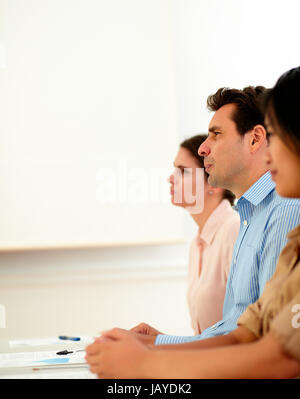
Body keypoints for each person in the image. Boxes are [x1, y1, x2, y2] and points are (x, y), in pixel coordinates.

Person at [86, 66, 300, 378]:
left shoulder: (284, 212)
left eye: (216, 134)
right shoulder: (249, 216)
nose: (204, 149)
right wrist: (151, 346)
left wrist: (148, 359)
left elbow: (276, 354)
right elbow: (245, 331)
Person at [133, 135, 239, 337]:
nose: (171, 178)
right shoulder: (197, 244)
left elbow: (237, 334)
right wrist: (159, 340)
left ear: (214, 183)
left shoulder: (233, 231)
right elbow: (206, 339)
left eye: (182, 171)